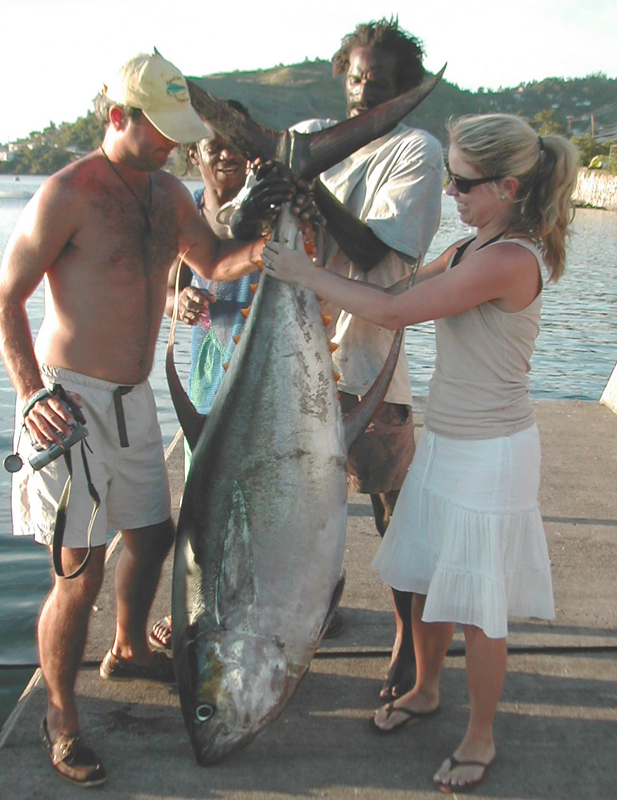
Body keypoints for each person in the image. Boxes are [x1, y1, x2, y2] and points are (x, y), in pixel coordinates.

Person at [262, 112, 578, 793]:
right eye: (452, 182)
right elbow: (397, 289)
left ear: (509, 186)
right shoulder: (470, 247)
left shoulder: (507, 259)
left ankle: (481, 736)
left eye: (464, 184)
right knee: (433, 577)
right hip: (451, 439)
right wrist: (312, 253)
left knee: (477, 610)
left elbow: (396, 314)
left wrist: (301, 274)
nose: (453, 195)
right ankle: (428, 689)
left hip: (491, 454)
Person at [0, 51, 265, 788]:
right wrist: (29, 395)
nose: (172, 145)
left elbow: (214, 262)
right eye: (159, 131)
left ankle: (130, 648)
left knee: (153, 532)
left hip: (133, 398)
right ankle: (60, 714)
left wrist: (268, 243)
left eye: (180, 132)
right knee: (78, 571)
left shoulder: (170, 194)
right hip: (67, 400)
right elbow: (4, 300)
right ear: (118, 116)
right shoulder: (65, 193)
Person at [233, 17, 444, 685]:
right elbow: (236, 229)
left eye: (376, 85)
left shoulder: (417, 150)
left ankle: (407, 644)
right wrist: (261, 195)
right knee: (283, 506)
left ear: (406, 92)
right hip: (288, 363)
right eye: (353, 78)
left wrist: (308, 184)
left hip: (365, 361)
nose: (359, 94)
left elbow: (373, 252)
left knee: (391, 509)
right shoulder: (314, 140)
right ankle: (296, 618)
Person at [149, 102, 261, 653]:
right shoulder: (185, 212)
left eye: (233, 142)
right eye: (212, 143)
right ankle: (196, 600)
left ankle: (268, 597)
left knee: (262, 495)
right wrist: (181, 301)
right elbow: (166, 288)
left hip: (261, 377)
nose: (223, 152)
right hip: (207, 378)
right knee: (201, 495)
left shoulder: (265, 212)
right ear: (194, 154)